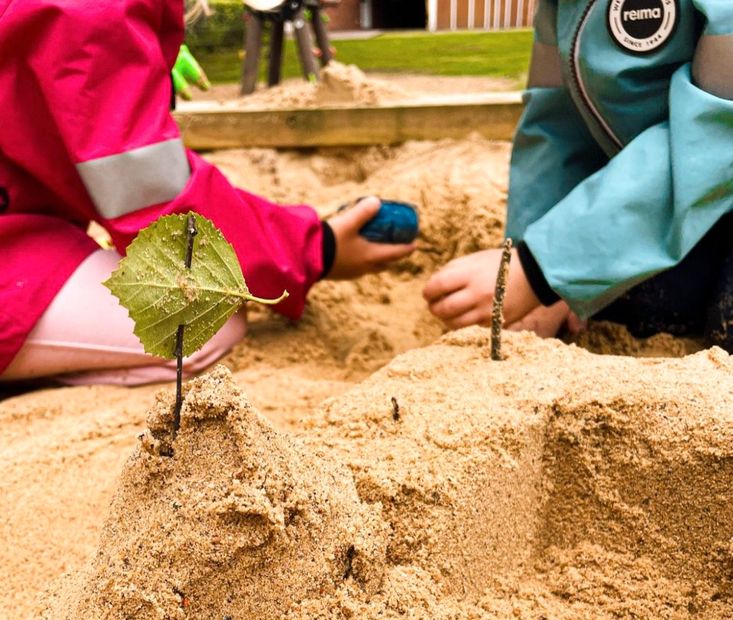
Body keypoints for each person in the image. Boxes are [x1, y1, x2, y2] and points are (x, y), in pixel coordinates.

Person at [0, 0, 414, 386]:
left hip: (18, 215)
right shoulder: (93, 14)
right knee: (203, 321)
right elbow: (155, 200)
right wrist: (314, 249)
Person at [423, 0, 733, 347]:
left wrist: (540, 270)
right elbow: (555, 123)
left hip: (714, 185)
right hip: (669, 203)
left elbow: (717, 139)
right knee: (642, 309)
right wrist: (539, 273)